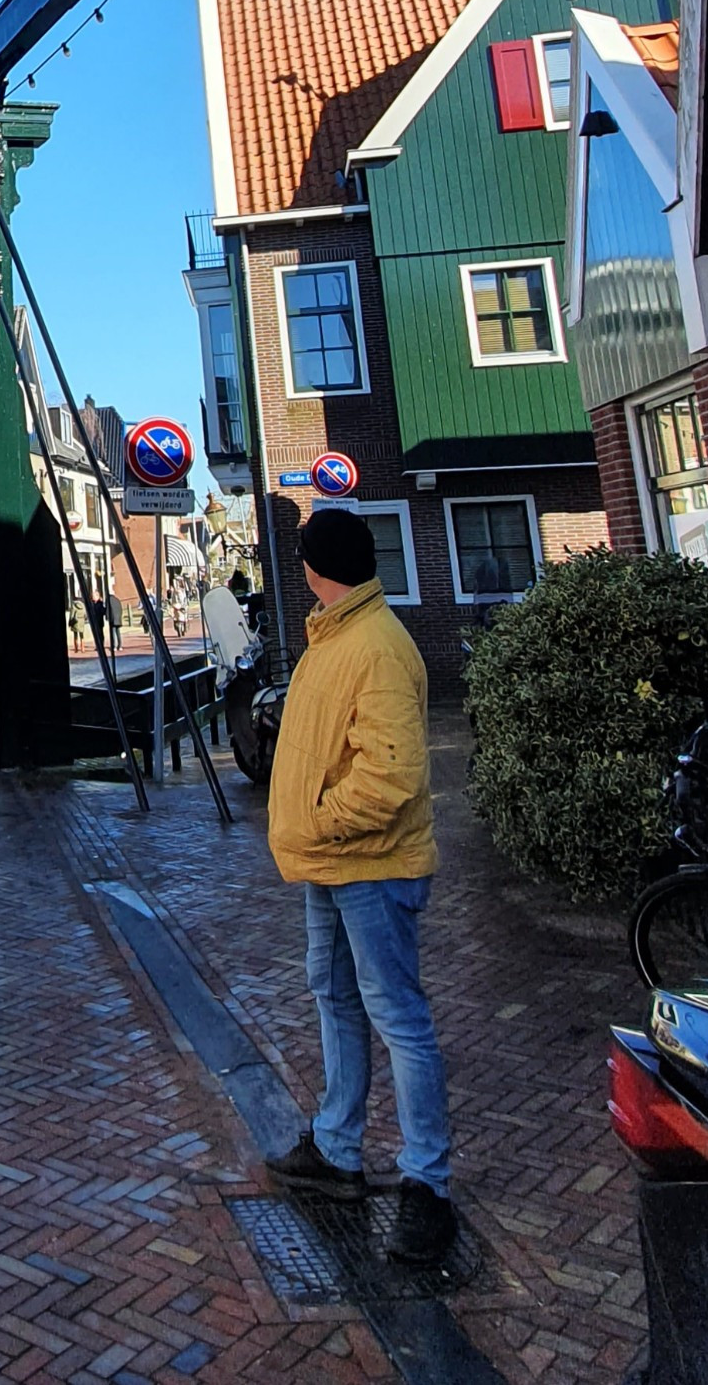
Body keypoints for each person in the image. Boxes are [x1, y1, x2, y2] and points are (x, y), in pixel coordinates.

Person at [262, 508, 456, 1268]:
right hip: (333, 864)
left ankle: (427, 1184)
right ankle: (339, 1148)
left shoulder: (372, 647)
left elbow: (391, 777)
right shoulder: (336, 635)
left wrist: (318, 822)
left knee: (399, 1017)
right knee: (336, 997)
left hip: (368, 865)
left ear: (314, 566)